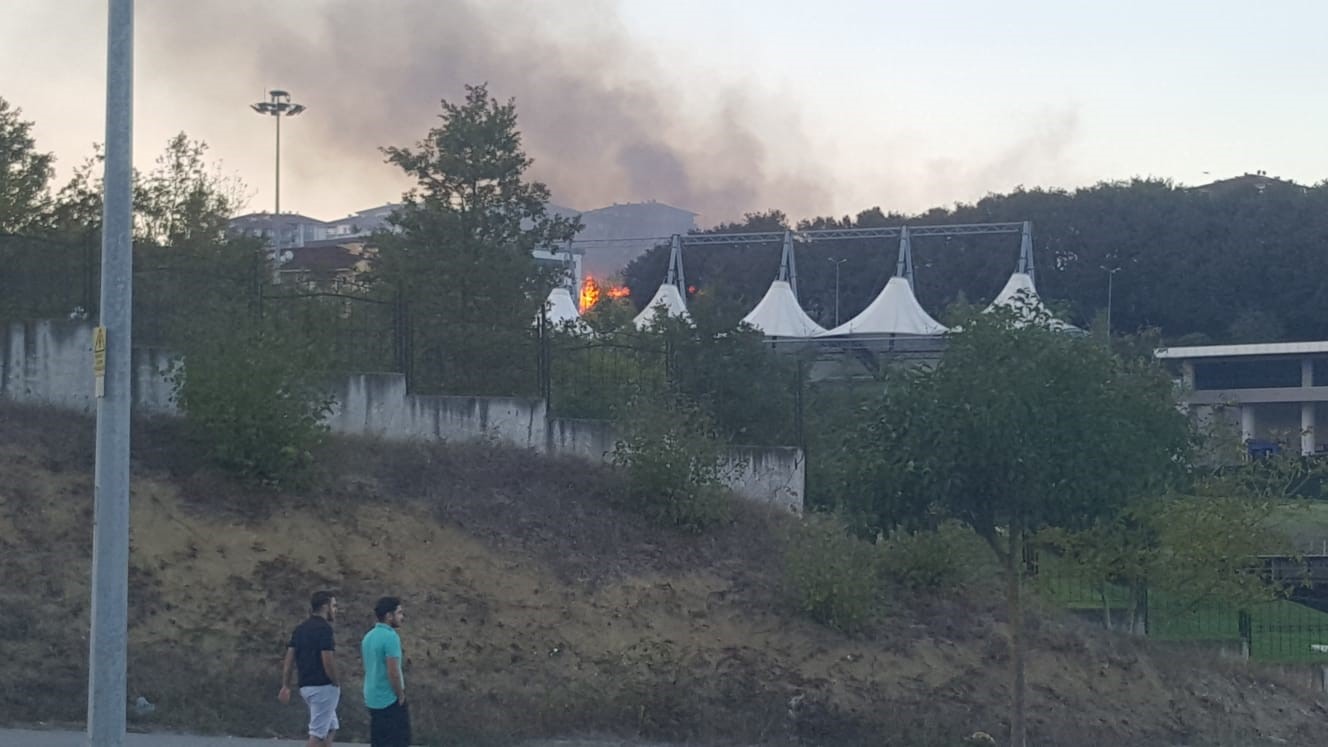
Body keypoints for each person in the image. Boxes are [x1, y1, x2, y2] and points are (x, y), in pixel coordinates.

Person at [279, 591, 341, 747]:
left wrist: (286, 685)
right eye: (334, 606)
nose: (336, 610)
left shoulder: (300, 629)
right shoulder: (324, 629)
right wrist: (335, 681)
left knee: (330, 727)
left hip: (305, 686)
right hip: (323, 687)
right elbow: (327, 659)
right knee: (317, 735)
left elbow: (289, 659)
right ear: (325, 607)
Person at [361, 596, 410, 747]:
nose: (402, 617)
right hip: (389, 699)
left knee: (379, 740)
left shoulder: (368, 636)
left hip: (372, 697)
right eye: (399, 613)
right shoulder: (390, 637)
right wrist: (400, 695)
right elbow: (393, 671)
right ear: (389, 616)